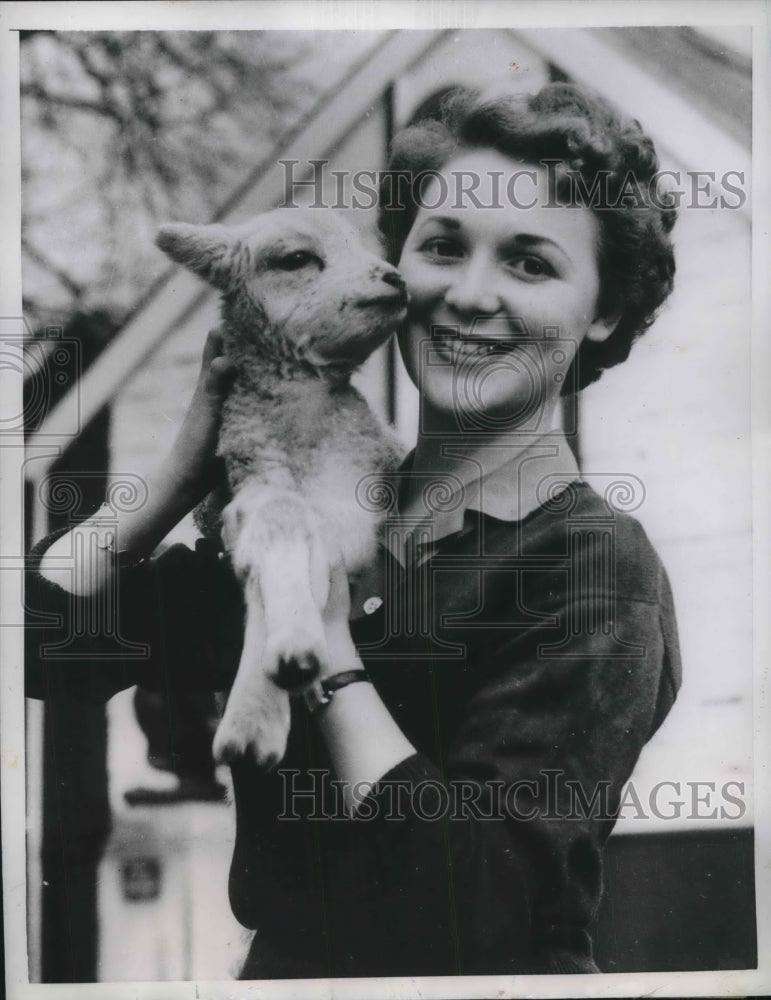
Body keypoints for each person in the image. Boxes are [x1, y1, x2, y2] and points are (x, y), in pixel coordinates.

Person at [26, 82, 681, 978]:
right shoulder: (322, 502)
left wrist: (323, 641)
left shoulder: (589, 566)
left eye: (530, 263)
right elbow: (43, 640)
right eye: (443, 247)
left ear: (602, 310)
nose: (468, 295)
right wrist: (184, 468)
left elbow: (472, 913)